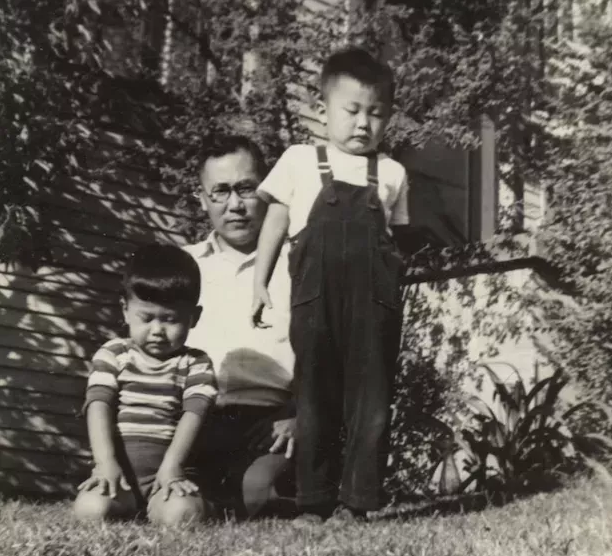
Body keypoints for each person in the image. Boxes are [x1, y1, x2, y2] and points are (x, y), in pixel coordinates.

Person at [252, 47, 409, 522]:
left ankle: (357, 503)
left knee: (372, 402)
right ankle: (313, 502)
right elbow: (276, 223)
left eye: (376, 114)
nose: (364, 123)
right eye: (353, 110)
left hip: (373, 303)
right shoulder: (300, 159)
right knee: (315, 400)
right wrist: (259, 283)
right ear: (323, 111)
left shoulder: (393, 173)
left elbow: (394, 242)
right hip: (314, 300)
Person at [183, 135, 296, 518]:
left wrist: (300, 416)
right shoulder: (184, 267)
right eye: (221, 192)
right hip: (196, 420)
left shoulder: (299, 264)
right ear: (202, 199)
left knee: (258, 495)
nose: (235, 205)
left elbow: (331, 354)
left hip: (275, 421)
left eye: (246, 188)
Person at [74, 244, 218, 526]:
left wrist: (172, 467)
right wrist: (104, 463)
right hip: (117, 473)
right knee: (90, 510)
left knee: (183, 515)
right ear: (126, 311)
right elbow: (98, 405)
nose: (157, 330)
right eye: (146, 317)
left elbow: (194, 414)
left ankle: (190, 505)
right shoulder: (113, 354)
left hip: (168, 473)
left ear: (194, 318)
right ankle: (126, 505)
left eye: (170, 319)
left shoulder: (195, 363)